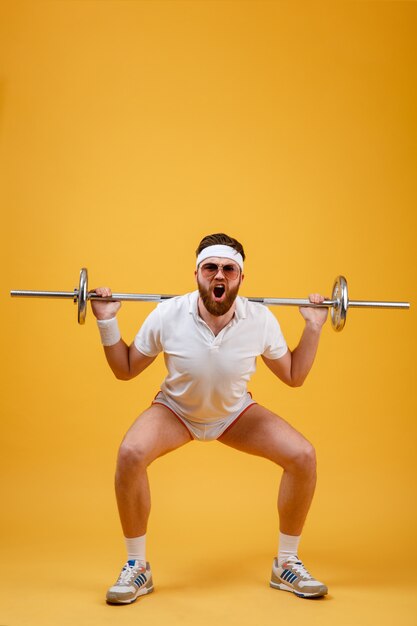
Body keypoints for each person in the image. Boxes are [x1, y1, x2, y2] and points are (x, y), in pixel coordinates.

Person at [92, 233, 329, 604]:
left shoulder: (260, 319)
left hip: (234, 415)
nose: (219, 275)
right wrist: (106, 321)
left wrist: (313, 325)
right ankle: (137, 567)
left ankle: (286, 563)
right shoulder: (168, 314)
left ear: (240, 278)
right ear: (198, 274)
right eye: (211, 268)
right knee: (130, 453)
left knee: (303, 456)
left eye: (228, 269)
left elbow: (294, 375)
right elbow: (124, 369)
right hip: (177, 412)